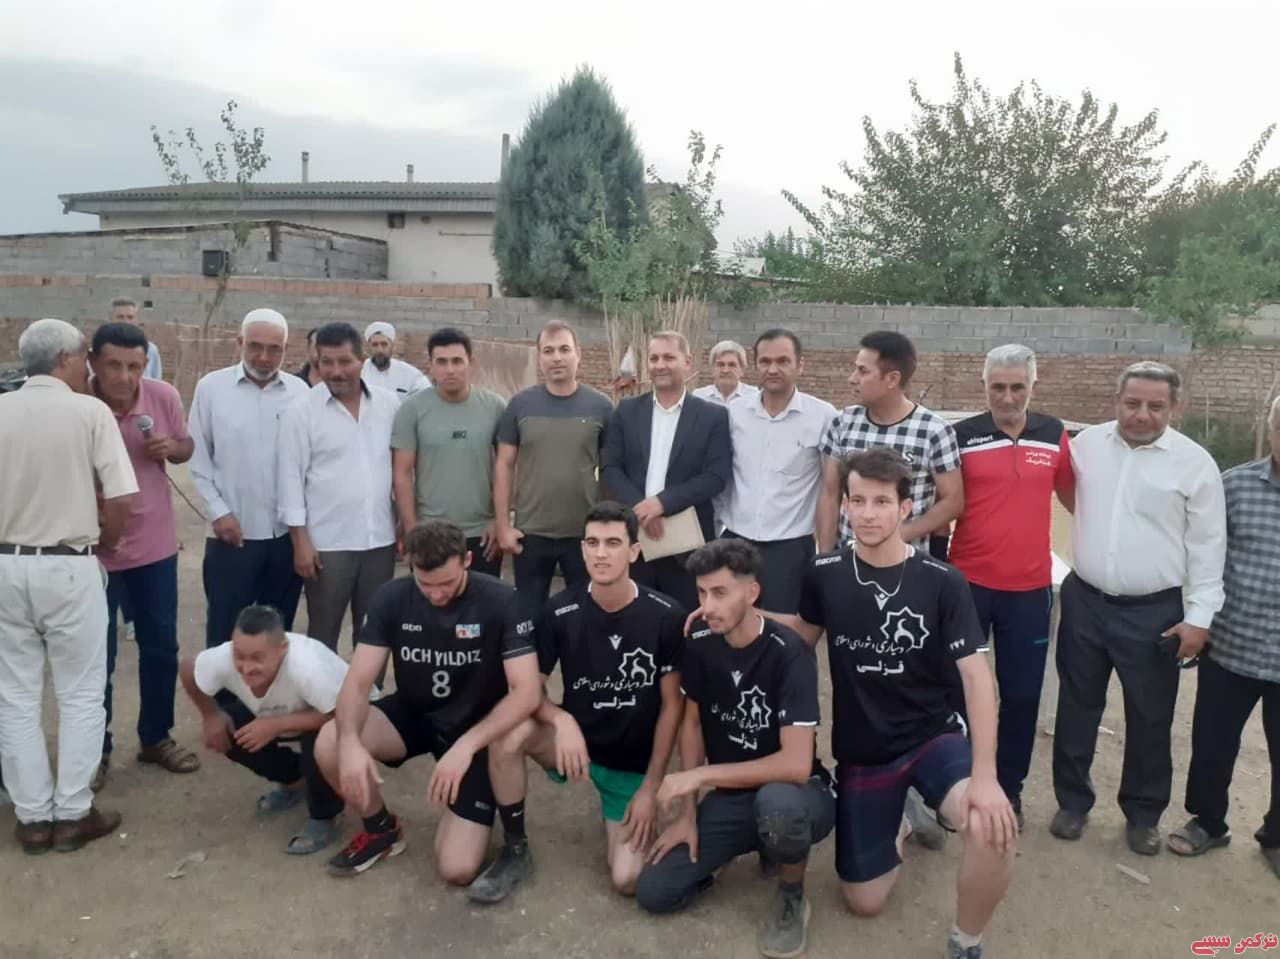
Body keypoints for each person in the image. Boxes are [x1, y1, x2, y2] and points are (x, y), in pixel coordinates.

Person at [772, 448, 1015, 959]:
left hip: (932, 736)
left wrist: (987, 776)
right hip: (864, 750)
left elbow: (977, 678)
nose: (868, 513)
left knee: (989, 826)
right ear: (844, 506)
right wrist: (738, 614)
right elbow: (801, 636)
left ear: (905, 508)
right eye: (858, 501)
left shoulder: (942, 581)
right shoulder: (824, 573)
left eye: (882, 502)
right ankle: (904, 816)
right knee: (864, 901)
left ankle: (966, 941)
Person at [1052, 362, 1226, 856]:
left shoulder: (1195, 465)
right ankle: (1072, 803)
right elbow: (1066, 494)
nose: (1142, 414)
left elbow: (1208, 546)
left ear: (1175, 408)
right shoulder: (1086, 446)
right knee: (1077, 706)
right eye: (1132, 403)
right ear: (1116, 402)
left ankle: (1143, 814)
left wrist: (1199, 618)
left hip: (1154, 612)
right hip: (1085, 601)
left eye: (1155, 406)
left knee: (1150, 717)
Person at [474, 502, 686, 903]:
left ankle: (636, 812)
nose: (601, 554)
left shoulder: (666, 615)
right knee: (509, 733)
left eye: (613, 543)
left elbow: (672, 708)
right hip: (575, 748)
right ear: (582, 549)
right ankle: (515, 848)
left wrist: (651, 787)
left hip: (631, 764)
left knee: (627, 880)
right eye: (592, 543)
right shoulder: (559, 611)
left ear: (634, 551)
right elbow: (529, 692)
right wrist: (562, 720)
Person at [635, 538, 834, 959]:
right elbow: (692, 723)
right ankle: (747, 843)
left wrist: (699, 776)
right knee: (655, 891)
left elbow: (796, 765)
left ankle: (791, 894)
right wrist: (688, 815)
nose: (708, 606)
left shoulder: (790, 653)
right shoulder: (700, 639)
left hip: (798, 792)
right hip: (734, 795)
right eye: (702, 593)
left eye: (720, 593)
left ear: (752, 592)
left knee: (778, 808)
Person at [313, 521, 541, 881]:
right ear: (410, 566)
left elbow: (527, 692)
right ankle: (381, 829)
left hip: (475, 725)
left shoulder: (502, 599)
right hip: (414, 714)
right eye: (425, 584)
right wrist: (351, 742)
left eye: (446, 583)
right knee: (331, 740)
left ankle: (480, 810)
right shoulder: (391, 597)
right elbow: (357, 682)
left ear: (467, 560)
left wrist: (467, 746)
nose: (436, 594)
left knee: (457, 869)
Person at [0, 319, 136, 854]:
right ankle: (73, 811)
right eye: (83, 356)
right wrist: (108, 541)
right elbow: (121, 497)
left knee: (15, 695)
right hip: (68, 564)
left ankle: (33, 817)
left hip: (6, 565)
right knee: (80, 693)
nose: (87, 366)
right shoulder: (88, 412)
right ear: (64, 359)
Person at [949, 345, 1074, 828]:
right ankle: (958, 784)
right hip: (968, 586)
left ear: (1032, 387)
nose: (1007, 397)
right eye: (997, 387)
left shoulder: (1054, 434)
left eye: (1017, 387)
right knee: (958, 690)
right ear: (984, 387)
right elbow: (943, 502)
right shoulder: (962, 436)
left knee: (1021, 696)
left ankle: (1009, 788)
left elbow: (1078, 501)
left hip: (1029, 590)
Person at [1169, 394, 1280, 872]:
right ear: (1270, 429)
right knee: (1213, 744)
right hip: (1233, 646)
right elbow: (1203, 555)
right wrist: (1199, 617)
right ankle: (1208, 822)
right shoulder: (1234, 487)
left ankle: (1277, 836)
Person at [90, 322, 199, 788]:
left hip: (154, 548)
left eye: (134, 366)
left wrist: (171, 447)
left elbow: (186, 447)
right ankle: (95, 750)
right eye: (113, 365)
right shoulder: (77, 403)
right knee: (96, 655)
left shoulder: (163, 396)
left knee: (160, 647)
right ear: (92, 362)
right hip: (93, 552)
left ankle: (156, 737)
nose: (125, 377)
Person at [178, 605, 350, 854]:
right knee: (230, 730)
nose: (247, 667)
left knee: (319, 742)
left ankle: (325, 815)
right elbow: (188, 669)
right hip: (282, 710)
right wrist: (211, 715)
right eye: (239, 656)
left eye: (257, 658)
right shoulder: (223, 657)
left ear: (282, 649)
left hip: (342, 714)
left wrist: (276, 725)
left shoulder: (309, 668)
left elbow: (341, 713)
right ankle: (296, 780)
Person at [189, 308, 309, 651]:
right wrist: (219, 513)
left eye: (274, 349)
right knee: (225, 632)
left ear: (286, 349)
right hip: (231, 535)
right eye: (255, 346)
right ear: (239, 342)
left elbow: (306, 465)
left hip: (284, 537)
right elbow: (199, 458)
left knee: (276, 631)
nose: (264, 357)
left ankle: (270, 689)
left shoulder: (300, 393)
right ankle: (224, 689)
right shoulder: (211, 388)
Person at [279, 322, 399, 654]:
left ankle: (368, 689)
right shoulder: (301, 412)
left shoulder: (389, 405)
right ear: (316, 361)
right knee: (323, 634)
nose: (336, 371)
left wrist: (403, 521)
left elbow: (400, 468)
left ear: (362, 360)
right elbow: (289, 478)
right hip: (326, 545)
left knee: (375, 634)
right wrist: (300, 542)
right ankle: (322, 690)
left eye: (345, 361)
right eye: (327, 362)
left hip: (380, 539)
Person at [601, 331, 732, 611]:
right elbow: (610, 467)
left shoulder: (712, 416)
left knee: (687, 621)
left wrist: (662, 503)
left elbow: (716, 476)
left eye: (669, 357)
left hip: (688, 546)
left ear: (687, 362)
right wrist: (642, 508)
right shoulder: (626, 411)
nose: (660, 365)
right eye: (654, 358)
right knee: (636, 617)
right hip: (636, 539)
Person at [494, 320, 615, 618]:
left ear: (578, 354)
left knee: (584, 617)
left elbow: (611, 471)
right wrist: (503, 526)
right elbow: (504, 465)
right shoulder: (520, 405)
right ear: (539, 357)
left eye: (564, 349)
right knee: (528, 618)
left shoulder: (601, 406)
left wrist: (608, 526)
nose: (557, 358)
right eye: (548, 351)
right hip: (530, 535)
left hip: (584, 534)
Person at [718, 329, 836, 614]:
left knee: (783, 629)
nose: (773, 369)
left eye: (783, 361)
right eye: (765, 361)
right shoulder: (734, 413)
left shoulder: (823, 417)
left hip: (790, 549)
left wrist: (826, 558)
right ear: (755, 365)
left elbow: (831, 491)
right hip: (735, 540)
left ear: (800, 365)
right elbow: (720, 478)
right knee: (729, 620)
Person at [816, 330, 963, 555]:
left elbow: (953, 501)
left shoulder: (934, 431)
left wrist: (898, 535)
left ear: (892, 379)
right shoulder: (843, 423)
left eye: (863, 371)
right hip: (849, 559)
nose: (852, 378)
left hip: (907, 561)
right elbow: (830, 494)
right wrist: (824, 559)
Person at [392, 327, 507, 578]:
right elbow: (402, 472)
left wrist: (500, 521)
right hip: (430, 532)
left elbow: (508, 467)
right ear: (430, 365)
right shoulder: (412, 410)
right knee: (433, 599)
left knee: (482, 601)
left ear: (471, 363)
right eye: (442, 362)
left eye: (457, 361)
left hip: (482, 533)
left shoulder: (495, 407)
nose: (450, 369)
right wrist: (411, 529)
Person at [361, 321, 430, 401]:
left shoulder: (410, 374)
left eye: (384, 344)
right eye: (375, 345)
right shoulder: (360, 373)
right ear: (368, 347)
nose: (380, 350)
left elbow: (427, 397)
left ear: (392, 346)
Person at [692, 340, 759, 406]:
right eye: (720, 364)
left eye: (732, 365)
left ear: (742, 370)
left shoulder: (754, 397)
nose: (725, 370)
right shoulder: (698, 397)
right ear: (712, 369)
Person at [108, 299, 162, 380]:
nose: (126, 322)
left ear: (137, 320)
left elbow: (156, 382)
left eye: (130, 317)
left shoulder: (151, 350)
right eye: (120, 317)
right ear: (110, 319)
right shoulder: (98, 350)